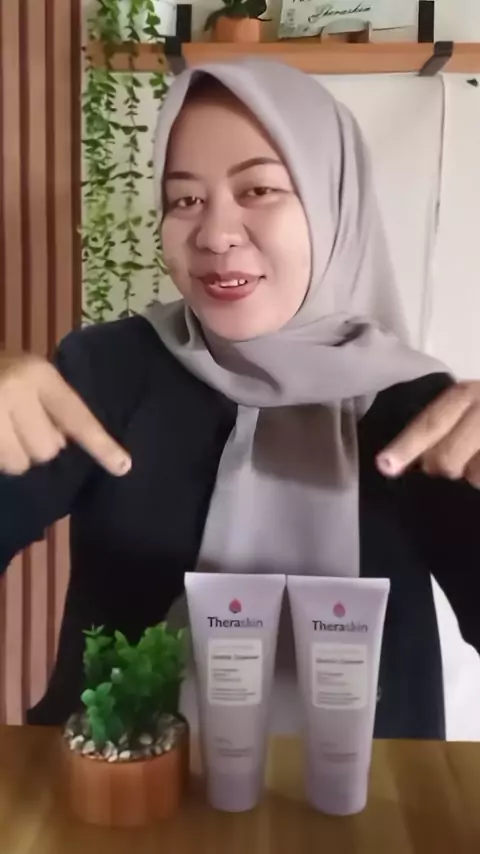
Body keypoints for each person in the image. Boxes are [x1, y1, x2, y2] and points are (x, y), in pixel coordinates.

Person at [0, 58, 480, 738]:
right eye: (184, 200)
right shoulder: (109, 371)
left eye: (258, 189)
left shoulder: (417, 410)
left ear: (333, 202)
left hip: (373, 796)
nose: (214, 234)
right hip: (113, 785)